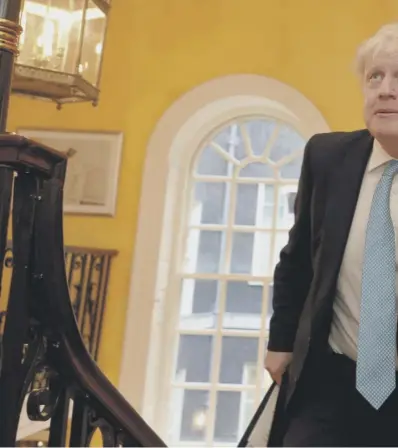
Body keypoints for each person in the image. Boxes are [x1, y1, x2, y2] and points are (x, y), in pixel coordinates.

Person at [264, 23, 398, 447]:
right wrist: (281, 343)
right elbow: (298, 259)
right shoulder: (327, 158)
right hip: (331, 378)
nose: (385, 90)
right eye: (375, 77)